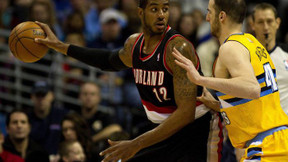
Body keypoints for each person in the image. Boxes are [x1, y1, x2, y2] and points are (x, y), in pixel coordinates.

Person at [34, 0, 221, 161]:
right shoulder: (134, 45)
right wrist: (60, 46)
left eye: (165, 8)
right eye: (154, 9)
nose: (161, 14)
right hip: (161, 130)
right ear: (141, 13)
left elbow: (186, 114)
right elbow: (106, 61)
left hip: (194, 131)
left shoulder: (178, 47)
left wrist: (136, 143)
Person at [172, 0, 288, 161]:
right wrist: (215, 104)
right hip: (278, 139)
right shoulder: (252, 42)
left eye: (209, 12)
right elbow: (254, 100)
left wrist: (200, 79)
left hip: (266, 146)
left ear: (221, 16)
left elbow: (252, 88)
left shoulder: (230, 47)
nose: (206, 18)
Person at [251, 2, 288, 114]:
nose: (266, 27)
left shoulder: (286, 52)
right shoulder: (245, 56)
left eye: (269, 21)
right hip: (261, 126)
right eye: (260, 22)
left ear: (277, 23)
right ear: (252, 25)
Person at [29, 81, 68, 155]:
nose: (41, 99)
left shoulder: (63, 115)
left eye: (44, 95)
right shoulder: (26, 118)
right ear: (32, 97)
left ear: (52, 96)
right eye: (38, 95)